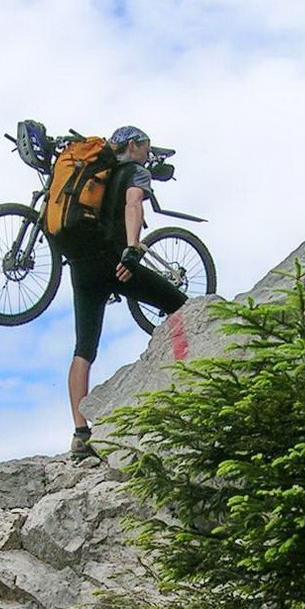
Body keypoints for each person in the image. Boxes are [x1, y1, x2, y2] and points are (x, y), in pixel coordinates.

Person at [64, 125, 188, 459]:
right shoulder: (134, 171)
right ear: (133, 146)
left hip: (81, 267)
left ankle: (80, 433)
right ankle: (191, 379)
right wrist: (132, 250)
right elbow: (134, 203)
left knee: (84, 349)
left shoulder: (92, 176)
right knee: (182, 306)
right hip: (115, 263)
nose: (148, 155)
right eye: (146, 149)